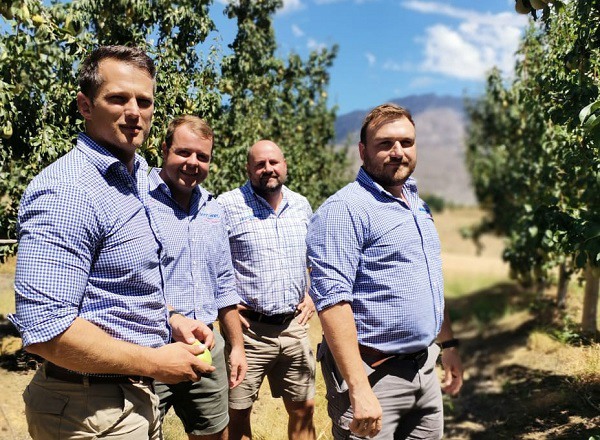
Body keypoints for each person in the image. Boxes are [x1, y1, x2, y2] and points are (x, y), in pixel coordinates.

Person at [8, 45, 214, 440]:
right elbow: (46, 329)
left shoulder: (133, 179)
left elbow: (117, 289)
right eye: (118, 98)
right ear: (85, 106)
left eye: (144, 101)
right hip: (88, 409)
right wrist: (154, 362)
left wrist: (170, 320)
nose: (134, 112)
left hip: (124, 398)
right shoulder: (69, 190)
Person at [306, 103, 464, 439]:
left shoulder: (417, 205)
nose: (398, 152)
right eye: (385, 144)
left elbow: (429, 281)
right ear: (363, 151)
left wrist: (448, 344)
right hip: (373, 378)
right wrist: (359, 388)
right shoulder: (344, 210)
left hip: (424, 369)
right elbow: (332, 303)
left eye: (406, 142)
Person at [148, 115, 247, 440]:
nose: (193, 162)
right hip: (150, 346)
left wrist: (236, 347)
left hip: (206, 344)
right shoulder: (139, 202)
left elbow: (224, 284)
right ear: (165, 149)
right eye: (184, 152)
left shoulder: (213, 209)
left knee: (213, 433)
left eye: (202, 156)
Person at [217, 140, 317, 440]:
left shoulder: (301, 205)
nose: (268, 169)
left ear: (284, 165)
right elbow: (209, 261)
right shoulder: (226, 206)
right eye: (260, 164)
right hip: (248, 333)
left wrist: (313, 295)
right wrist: (226, 308)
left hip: (294, 328)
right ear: (248, 169)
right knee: (237, 413)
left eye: (274, 162)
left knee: (304, 410)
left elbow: (316, 257)